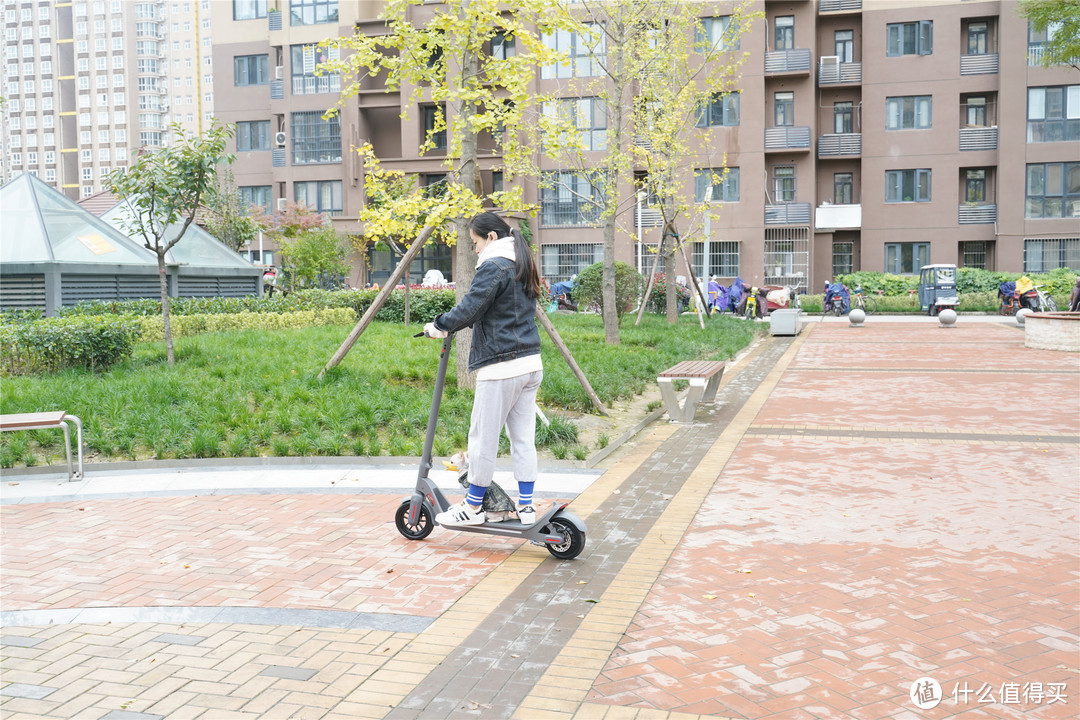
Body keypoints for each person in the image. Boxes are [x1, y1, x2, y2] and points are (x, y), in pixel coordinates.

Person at [422, 211, 544, 527]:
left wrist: (439, 325)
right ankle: (527, 507)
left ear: (490, 237)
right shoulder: (522, 261)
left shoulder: (494, 265)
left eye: (475, 242)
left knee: (482, 439)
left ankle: (474, 507)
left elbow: (471, 308)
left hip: (501, 366)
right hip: (531, 363)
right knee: (523, 439)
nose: (475, 250)